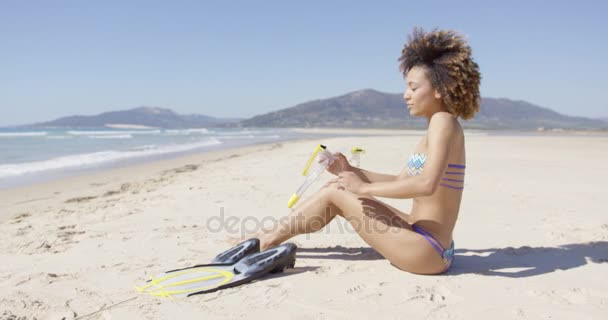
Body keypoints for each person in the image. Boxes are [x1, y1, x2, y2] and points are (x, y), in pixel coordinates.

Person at [257, 27, 481, 275]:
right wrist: (349, 170)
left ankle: (265, 242)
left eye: (414, 88)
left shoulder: (443, 122)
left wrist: (363, 189)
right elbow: (401, 181)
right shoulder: (433, 129)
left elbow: (426, 184)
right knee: (337, 188)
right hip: (423, 238)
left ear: (440, 89)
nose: (406, 95)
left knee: (336, 193)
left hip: (427, 249)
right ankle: (268, 237)